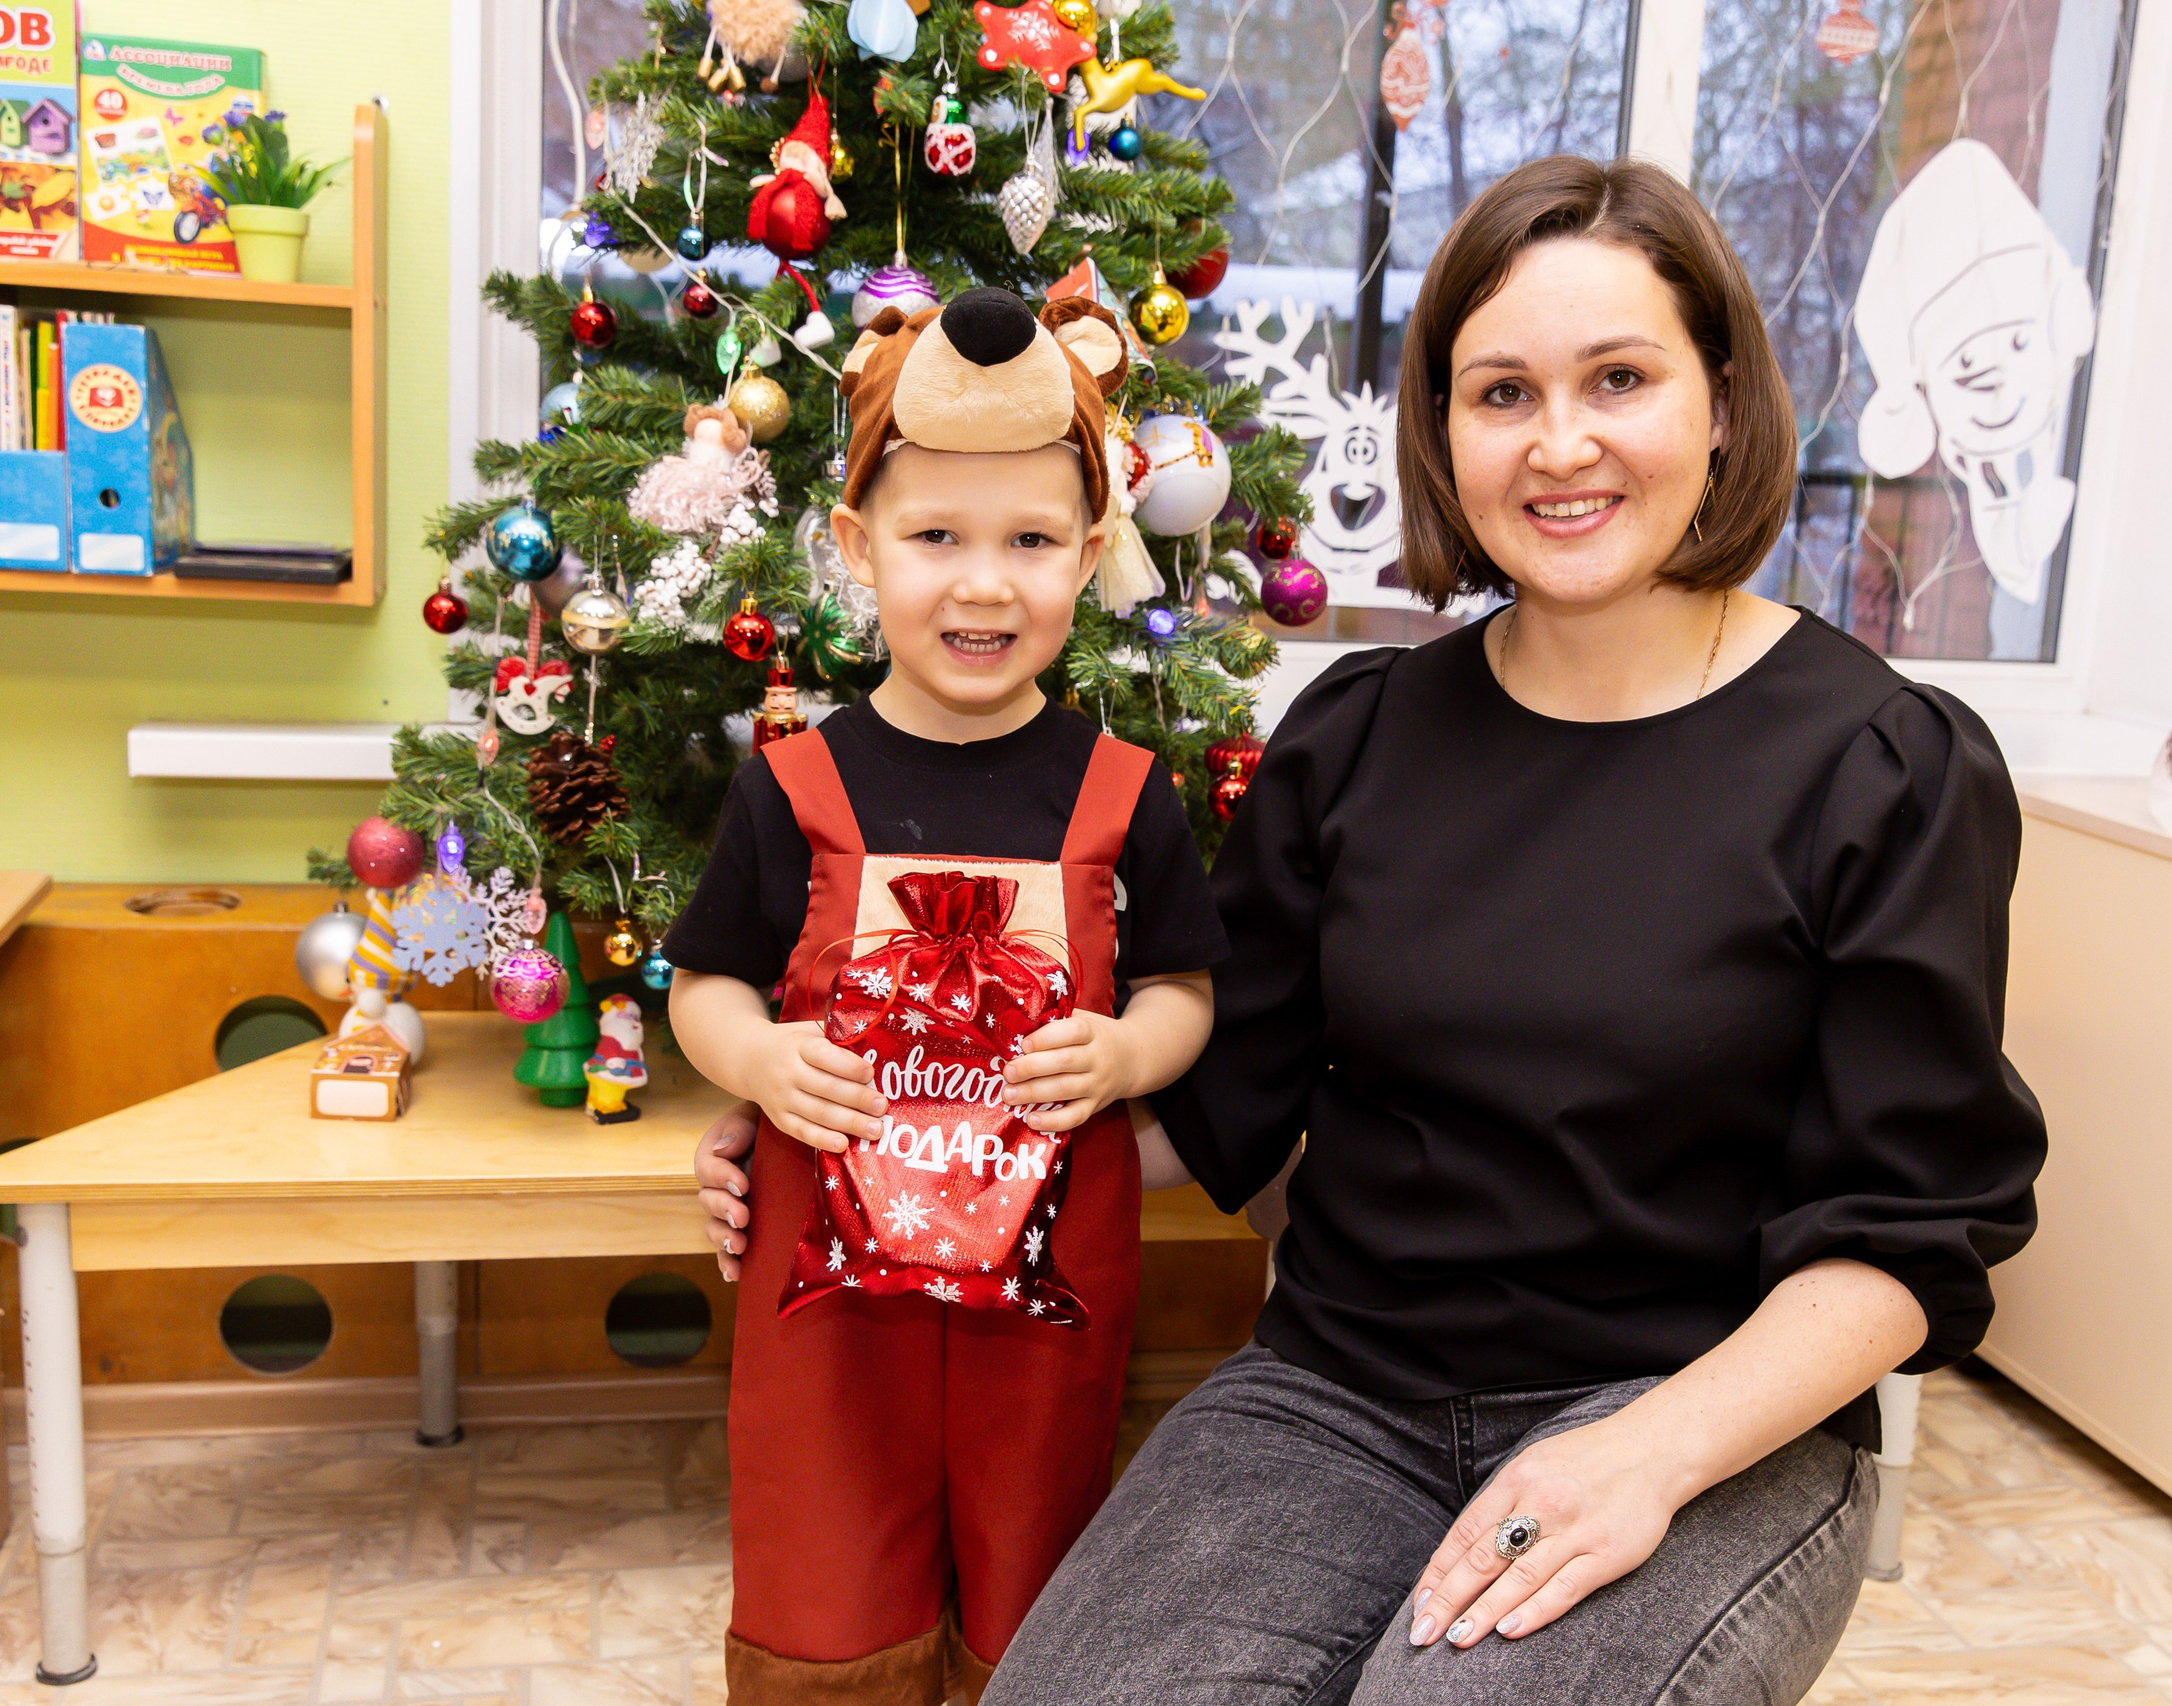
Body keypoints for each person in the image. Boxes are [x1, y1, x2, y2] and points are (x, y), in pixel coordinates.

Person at [699, 154, 2047, 1704]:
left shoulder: (1881, 764)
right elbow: (1211, 1102)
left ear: (1726, 401)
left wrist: (1642, 1459)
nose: (1561, 444)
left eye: (1620, 378)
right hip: (1336, 1397)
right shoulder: (1357, 736)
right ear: (1443, 430)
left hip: (1699, 1418)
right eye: (1501, 393)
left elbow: (1909, 1234)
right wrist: (861, 1143)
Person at [664, 288, 1226, 1706]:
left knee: (1041, 1545)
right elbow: (707, 979)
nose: (985, 585)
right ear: (857, 551)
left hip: (1050, 1293)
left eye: (1033, 542)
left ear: (1093, 557)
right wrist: (756, 1059)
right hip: (826, 1307)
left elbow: (1185, 987)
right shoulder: (791, 788)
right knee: (822, 1546)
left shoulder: (1127, 791)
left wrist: (1128, 1048)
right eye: (936, 539)